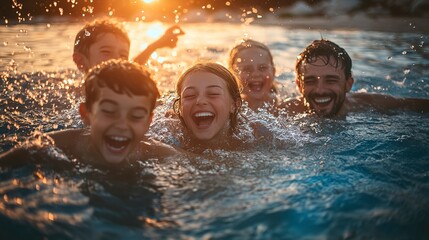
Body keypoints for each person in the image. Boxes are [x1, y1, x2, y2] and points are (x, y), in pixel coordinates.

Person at [0, 59, 178, 167]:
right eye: (109, 111)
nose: (122, 125)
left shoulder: (158, 153)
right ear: (86, 114)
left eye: (136, 116)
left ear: (148, 121)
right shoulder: (51, 146)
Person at [279, 39, 429, 118]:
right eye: (310, 81)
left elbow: (410, 105)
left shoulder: (366, 104)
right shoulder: (285, 112)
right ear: (299, 85)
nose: (320, 90)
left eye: (331, 80)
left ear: (348, 84)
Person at [172, 62, 247, 151]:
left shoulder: (255, 137)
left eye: (213, 94)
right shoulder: (168, 137)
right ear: (180, 107)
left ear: (234, 104)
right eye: (189, 95)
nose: (200, 101)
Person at [73, 18, 184, 73]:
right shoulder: (71, 97)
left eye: (123, 55)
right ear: (81, 62)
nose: (117, 60)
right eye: (106, 52)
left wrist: (156, 45)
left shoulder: (124, 81)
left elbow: (134, 65)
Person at [228, 39, 279, 112]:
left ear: (273, 71)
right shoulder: (228, 110)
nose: (256, 74)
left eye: (262, 68)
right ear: (232, 75)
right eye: (246, 69)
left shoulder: (287, 106)